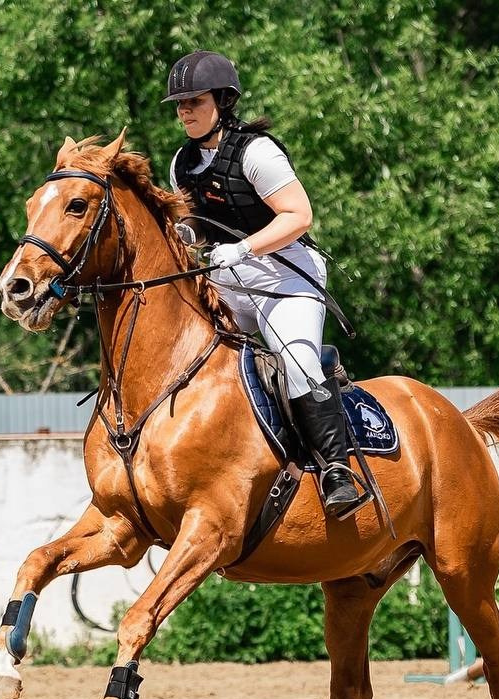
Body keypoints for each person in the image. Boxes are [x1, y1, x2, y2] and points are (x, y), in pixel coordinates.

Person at [163, 50, 364, 519]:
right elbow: (196, 223)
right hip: (228, 276)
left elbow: (298, 215)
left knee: (294, 359)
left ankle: (337, 470)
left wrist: (246, 248)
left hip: (285, 271)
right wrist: (186, 235)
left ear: (222, 100)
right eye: (179, 104)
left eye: (194, 100)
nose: (184, 110)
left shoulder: (257, 151)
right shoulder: (183, 162)